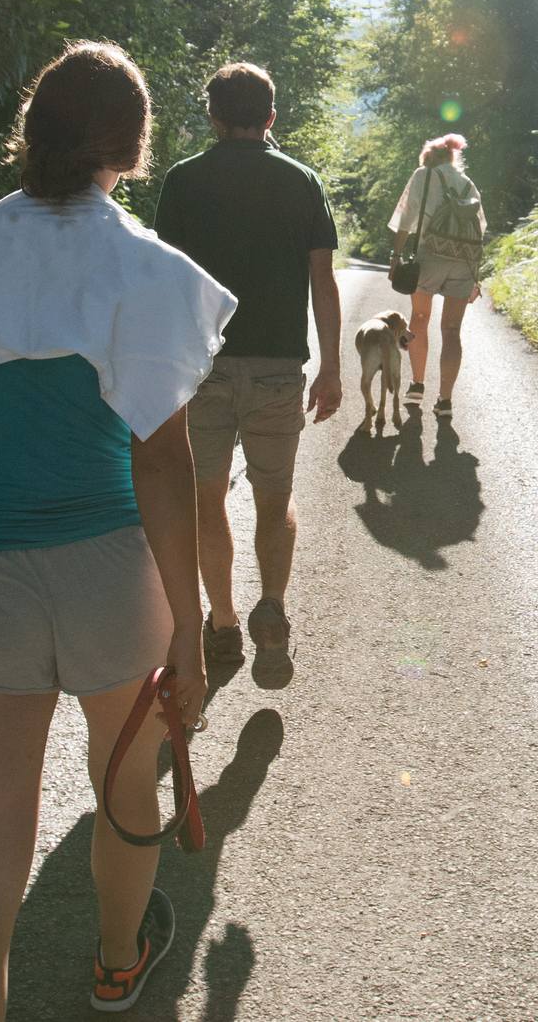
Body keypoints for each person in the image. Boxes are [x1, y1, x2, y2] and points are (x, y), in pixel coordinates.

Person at [0, 41, 238, 1019]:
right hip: (112, 577)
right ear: (133, 145)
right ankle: (119, 960)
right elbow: (162, 463)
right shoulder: (144, 267)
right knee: (125, 793)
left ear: (30, 134)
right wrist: (190, 625)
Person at [153, 62, 341, 688]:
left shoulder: (182, 182)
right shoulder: (301, 181)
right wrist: (332, 365)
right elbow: (322, 279)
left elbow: (168, 283)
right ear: (271, 117)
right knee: (274, 496)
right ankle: (275, 606)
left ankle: (225, 622)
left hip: (200, 367)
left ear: (212, 115)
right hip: (278, 369)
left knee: (206, 497)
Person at [386, 133, 486, 414]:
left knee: (419, 317)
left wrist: (396, 256)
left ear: (429, 158)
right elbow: (480, 230)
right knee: (452, 330)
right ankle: (445, 401)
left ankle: (417, 384)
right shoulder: (468, 185)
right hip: (463, 262)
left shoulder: (424, 176)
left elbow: (406, 217)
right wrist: (475, 276)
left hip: (431, 255)